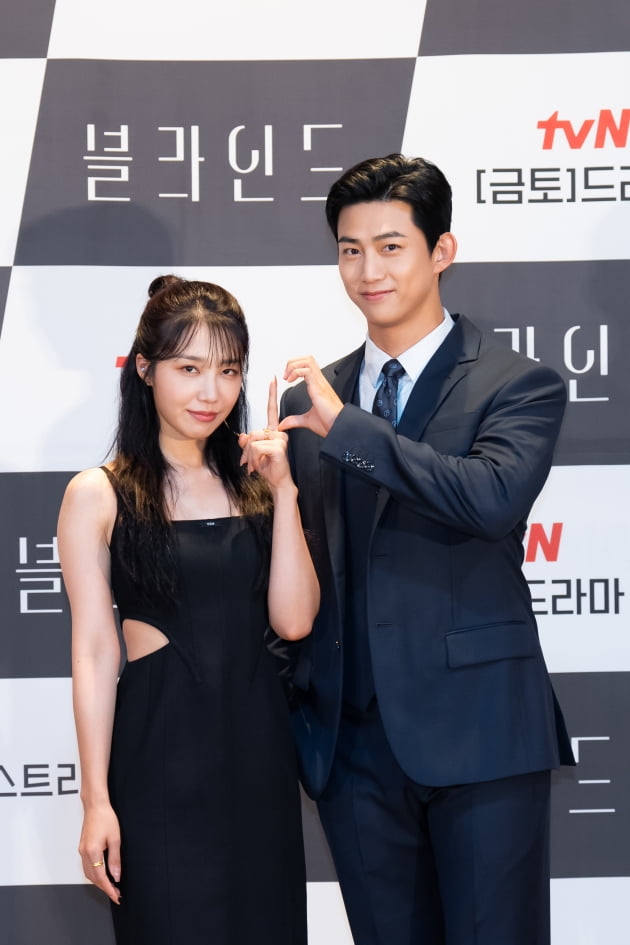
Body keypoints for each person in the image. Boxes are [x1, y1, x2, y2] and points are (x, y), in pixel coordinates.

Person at [277, 154, 575, 945]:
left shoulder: (518, 384)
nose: (368, 271)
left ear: (442, 250)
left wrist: (348, 429)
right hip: (353, 749)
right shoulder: (306, 402)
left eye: (390, 246)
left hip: (481, 734)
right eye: (349, 250)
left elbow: (489, 497)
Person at [57, 275, 318, 945]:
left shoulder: (258, 483)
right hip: (158, 765)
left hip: (259, 758)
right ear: (145, 369)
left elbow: (294, 621)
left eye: (228, 371)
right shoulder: (98, 494)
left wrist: (285, 491)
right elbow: (95, 651)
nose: (211, 392)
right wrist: (96, 801)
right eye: (189, 369)